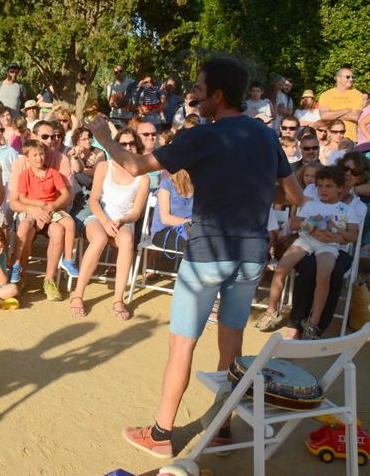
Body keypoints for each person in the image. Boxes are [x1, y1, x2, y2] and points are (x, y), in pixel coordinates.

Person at [89, 57, 303, 458]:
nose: (193, 98)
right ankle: (220, 426)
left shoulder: (204, 135)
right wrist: (255, 193)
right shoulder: (265, 135)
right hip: (251, 255)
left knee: (182, 346)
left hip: (207, 253)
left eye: (200, 91)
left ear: (218, 95)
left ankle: (161, 433)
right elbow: (293, 196)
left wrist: (105, 137)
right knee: (231, 344)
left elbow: (135, 165)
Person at [256, 166, 358, 338]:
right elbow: (294, 224)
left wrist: (335, 231)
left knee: (323, 276)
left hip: (328, 244)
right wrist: (310, 223)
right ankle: (271, 310)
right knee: (281, 268)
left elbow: (353, 236)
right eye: (320, 186)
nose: (323, 190)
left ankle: (313, 322)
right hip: (305, 240)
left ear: (340, 188)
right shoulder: (311, 204)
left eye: (329, 186)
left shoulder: (347, 210)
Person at [69, 129, 149, 318]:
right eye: (123, 144)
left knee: (128, 239)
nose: (128, 147)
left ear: (137, 147)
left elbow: (136, 212)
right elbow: (94, 200)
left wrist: (121, 221)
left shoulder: (143, 177)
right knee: (99, 238)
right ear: (116, 146)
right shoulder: (105, 166)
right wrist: (105, 221)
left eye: (132, 144)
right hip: (99, 215)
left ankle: (118, 300)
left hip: (123, 220)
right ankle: (78, 295)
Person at [8, 120, 76, 286]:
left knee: (58, 230)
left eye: (54, 137)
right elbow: (15, 202)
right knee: (27, 229)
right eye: (45, 137)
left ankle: (49, 280)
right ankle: (20, 275)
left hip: (54, 211)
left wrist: (50, 208)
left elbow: (67, 196)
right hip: (31, 211)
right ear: (33, 137)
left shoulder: (61, 161)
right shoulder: (21, 164)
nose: (50, 141)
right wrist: (35, 209)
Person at [150, 169, 194, 253]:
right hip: (163, 232)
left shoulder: (197, 185)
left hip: (189, 230)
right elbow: (165, 218)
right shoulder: (167, 184)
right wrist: (191, 223)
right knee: (198, 246)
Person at [318, 67, 363, 141]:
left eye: (353, 77)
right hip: (329, 139)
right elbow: (324, 116)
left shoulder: (357, 94)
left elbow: (354, 116)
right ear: (338, 78)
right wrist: (345, 110)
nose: (351, 79)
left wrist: (332, 114)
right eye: (348, 77)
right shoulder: (325, 95)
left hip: (350, 139)